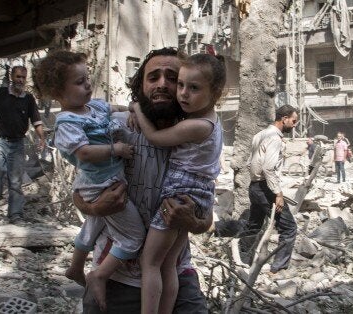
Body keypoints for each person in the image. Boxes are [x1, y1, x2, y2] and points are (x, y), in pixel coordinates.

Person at [72, 47, 211, 313]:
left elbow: (207, 218)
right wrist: (94, 208)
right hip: (115, 275)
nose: (162, 84)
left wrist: (193, 221)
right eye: (153, 77)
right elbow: (80, 192)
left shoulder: (198, 136)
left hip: (174, 274)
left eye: (172, 78)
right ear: (141, 85)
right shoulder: (115, 126)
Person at [32, 50, 144, 310]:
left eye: (87, 79)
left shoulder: (93, 107)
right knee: (133, 236)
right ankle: (100, 275)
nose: (88, 85)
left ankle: (75, 267)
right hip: (99, 184)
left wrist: (133, 108)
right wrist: (115, 150)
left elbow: (115, 107)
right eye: (79, 82)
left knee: (94, 225)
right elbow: (83, 152)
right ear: (59, 93)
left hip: (103, 180)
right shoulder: (67, 121)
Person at [133, 53, 224, 313]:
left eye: (192, 87)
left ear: (215, 92)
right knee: (167, 264)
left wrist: (137, 108)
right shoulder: (208, 122)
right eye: (181, 85)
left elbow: (155, 137)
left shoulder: (194, 125)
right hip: (196, 192)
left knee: (150, 262)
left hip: (179, 194)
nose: (183, 93)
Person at [0, 65, 45, 223]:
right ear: (12, 77)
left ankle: (15, 214)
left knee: (15, 180)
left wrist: (41, 137)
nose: (20, 80)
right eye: (18, 77)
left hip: (17, 144)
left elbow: (36, 121)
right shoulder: (1, 93)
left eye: (23, 77)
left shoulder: (28, 99)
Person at [245, 104, 299, 274]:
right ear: (284, 119)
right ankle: (279, 268)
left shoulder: (260, 135)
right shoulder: (275, 139)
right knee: (289, 227)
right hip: (265, 188)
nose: (295, 124)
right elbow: (269, 168)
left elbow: (249, 162)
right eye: (294, 121)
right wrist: (278, 193)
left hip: (254, 186)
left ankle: (242, 260)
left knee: (253, 226)